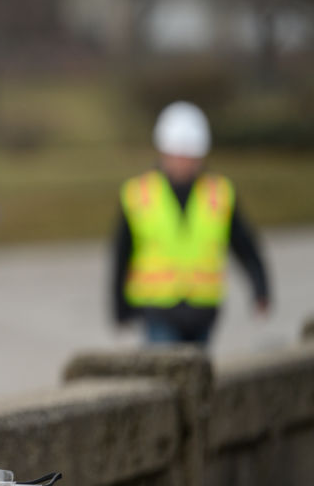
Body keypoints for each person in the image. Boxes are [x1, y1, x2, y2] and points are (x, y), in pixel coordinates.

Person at [111, 100, 270, 345]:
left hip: (204, 311)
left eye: (189, 156)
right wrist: (120, 309)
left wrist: (260, 289)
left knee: (197, 366)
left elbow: (245, 247)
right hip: (158, 309)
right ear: (163, 152)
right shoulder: (139, 194)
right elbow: (122, 254)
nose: (183, 162)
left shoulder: (219, 194)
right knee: (167, 364)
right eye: (178, 155)